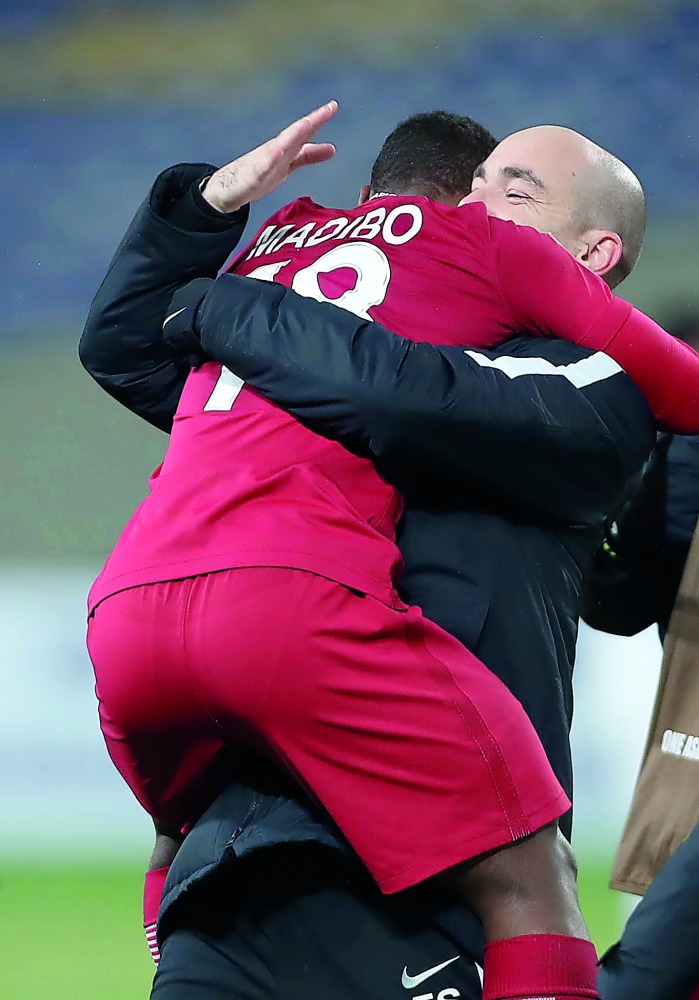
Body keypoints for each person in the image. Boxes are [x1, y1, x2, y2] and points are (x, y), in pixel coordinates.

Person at [80, 104, 658, 1000]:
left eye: (511, 191)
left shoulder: (593, 384)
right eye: (468, 186)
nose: (466, 209)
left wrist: (222, 302)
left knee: (532, 883)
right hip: (245, 851)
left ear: (592, 256)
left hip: (419, 873)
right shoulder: (332, 350)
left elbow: (408, 394)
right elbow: (126, 350)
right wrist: (197, 221)